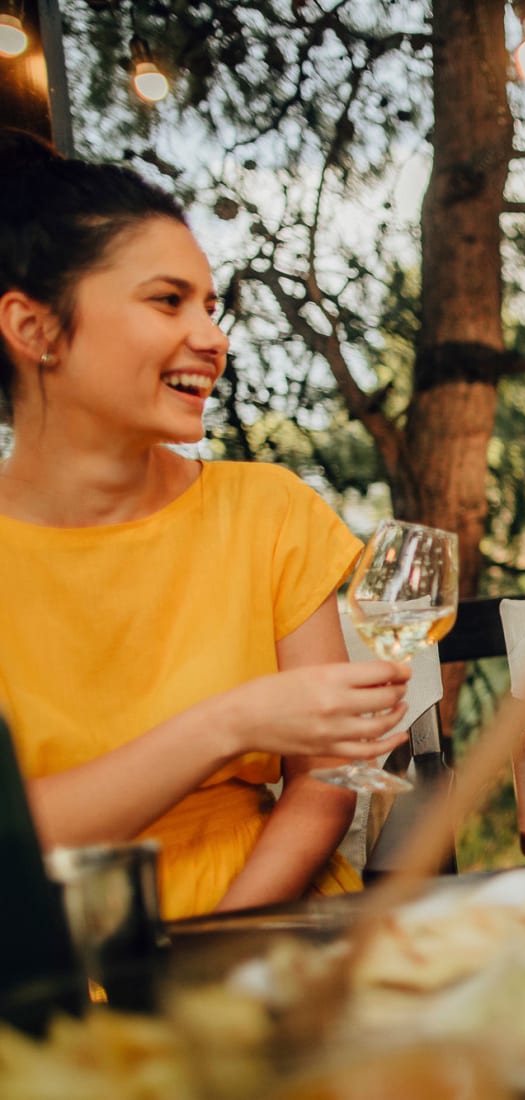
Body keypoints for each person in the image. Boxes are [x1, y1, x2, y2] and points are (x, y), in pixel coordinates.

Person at [0, 129, 413, 920]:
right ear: (35, 329)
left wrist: (218, 945)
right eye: (168, 300)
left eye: (211, 306)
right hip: (57, 956)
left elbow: (325, 783)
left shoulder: (268, 509)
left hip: (261, 922)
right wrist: (232, 723)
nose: (214, 339)